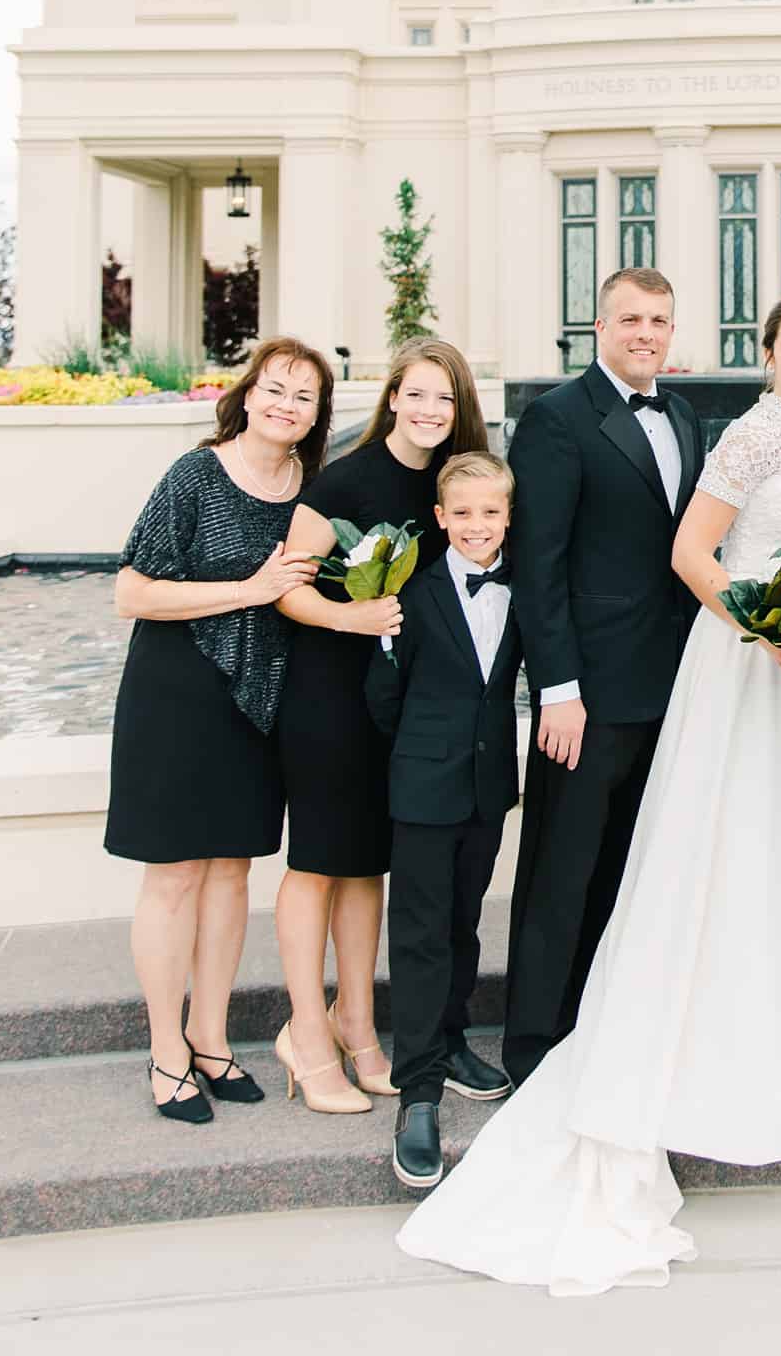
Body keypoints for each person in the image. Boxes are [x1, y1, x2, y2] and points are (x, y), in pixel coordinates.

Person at [396, 295, 781, 1294]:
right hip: (673, 670)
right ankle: (542, 1050)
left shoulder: (708, 421)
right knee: (578, 870)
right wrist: (570, 683)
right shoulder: (599, 422)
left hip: (743, 673)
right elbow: (589, 558)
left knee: (751, 852)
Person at [106, 337, 334, 1119]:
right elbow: (131, 592)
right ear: (248, 393)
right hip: (177, 693)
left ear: (315, 416)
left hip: (259, 701)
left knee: (233, 872)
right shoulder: (195, 474)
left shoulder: (314, 491)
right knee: (174, 874)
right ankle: (165, 1051)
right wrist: (248, 589)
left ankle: (211, 1038)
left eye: (303, 397)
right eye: (275, 388)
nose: (286, 405)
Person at [273, 338, 489, 1114]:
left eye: (446, 399)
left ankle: (358, 1025)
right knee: (319, 864)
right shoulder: (347, 478)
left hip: (400, 708)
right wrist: (348, 615)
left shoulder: (456, 486)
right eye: (418, 394)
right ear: (392, 396)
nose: (431, 411)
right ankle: (304, 1030)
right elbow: (288, 589)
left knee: (367, 867)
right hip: (328, 695)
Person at [500, 266, 703, 1086]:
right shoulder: (555, 419)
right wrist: (556, 689)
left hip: (670, 692)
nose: (645, 333)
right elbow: (537, 567)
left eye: (658, 320)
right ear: (599, 325)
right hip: (585, 698)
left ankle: (600, 1027)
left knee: (630, 869)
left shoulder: (685, 414)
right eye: (630, 319)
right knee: (561, 870)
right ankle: (532, 1047)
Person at [366, 451, 522, 1191]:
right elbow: (383, 697)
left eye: (490, 513)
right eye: (462, 514)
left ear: (508, 518)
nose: (477, 526)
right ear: (440, 519)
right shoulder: (411, 593)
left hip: (487, 787)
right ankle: (418, 1090)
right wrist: (421, 758)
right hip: (423, 787)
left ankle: (454, 1040)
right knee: (422, 933)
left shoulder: (523, 588)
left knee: (463, 922)